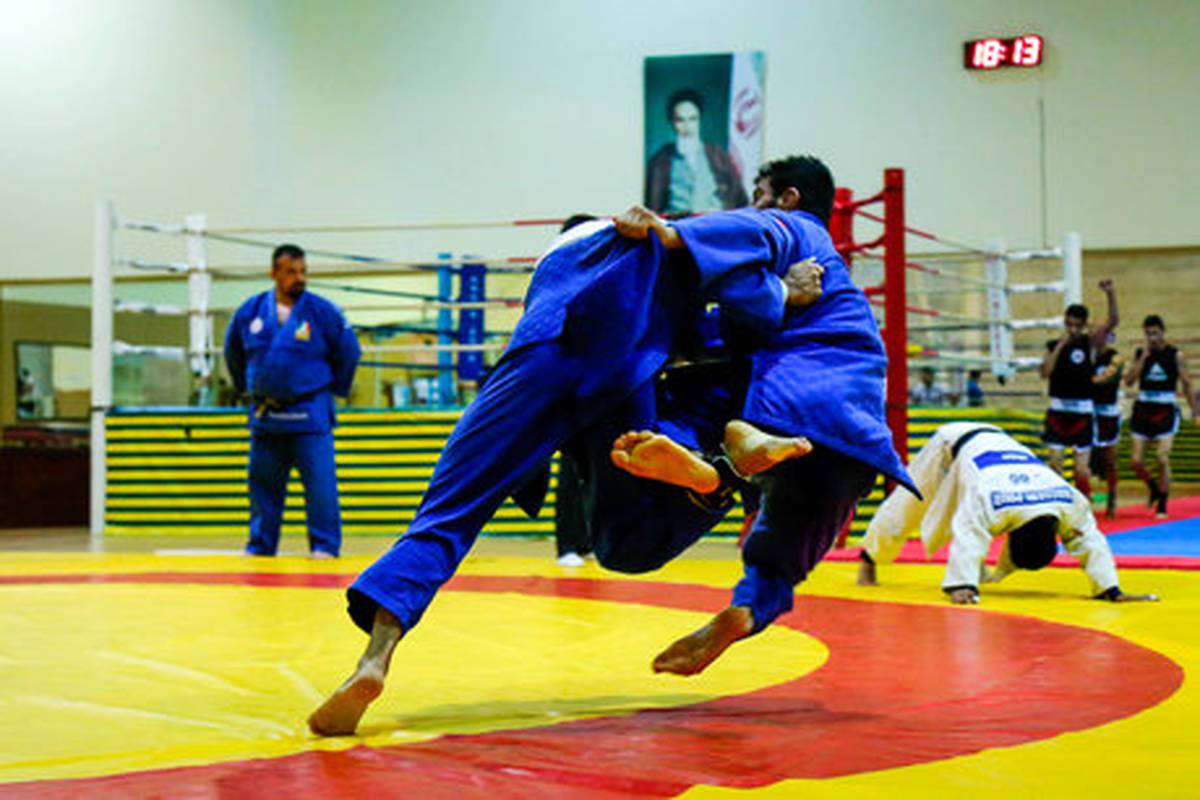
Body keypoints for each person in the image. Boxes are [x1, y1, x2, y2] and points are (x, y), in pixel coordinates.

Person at [308, 156, 912, 736]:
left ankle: (374, 660)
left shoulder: (558, 263)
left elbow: (699, 270)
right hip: (638, 377)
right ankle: (717, 474)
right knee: (632, 539)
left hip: (529, 368)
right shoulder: (685, 240)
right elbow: (730, 307)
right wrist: (777, 290)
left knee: (446, 516)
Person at [857, 422, 1158, 605]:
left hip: (995, 446)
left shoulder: (1069, 501)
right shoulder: (993, 500)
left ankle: (876, 558)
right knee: (909, 502)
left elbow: (1089, 540)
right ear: (1010, 534)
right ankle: (869, 559)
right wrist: (962, 585)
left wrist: (1111, 589)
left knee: (967, 517)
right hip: (952, 442)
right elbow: (967, 534)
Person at [224, 244, 361, 559]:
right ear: (274, 273)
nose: (299, 278)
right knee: (262, 488)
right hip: (266, 414)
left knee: (321, 487)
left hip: (309, 412)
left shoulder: (323, 312)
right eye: (291, 272)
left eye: (303, 271)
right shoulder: (250, 312)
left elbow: (349, 352)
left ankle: (324, 546)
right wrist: (248, 388)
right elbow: (233, 353)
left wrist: (334, 389)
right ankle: (261, 546)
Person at [1040, 280, 1118, 497]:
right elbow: (1045, 372)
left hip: (1082, 412)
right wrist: (1060, 346)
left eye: (1077, 326)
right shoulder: (1053, 345)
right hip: (1058, 410)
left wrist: (1110, 294)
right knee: (1055, 465)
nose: (1072, 330)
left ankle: (1084, 502)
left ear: (1084, 325)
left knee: (1081, 472)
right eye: (1069, 325)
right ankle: (1059, 506)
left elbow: (1112, 321)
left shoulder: (1089, 343)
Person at [1124, 315, 1198, 518]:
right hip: (1143, 409)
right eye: (1148, 334)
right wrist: (1142, 359)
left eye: (1155, 333)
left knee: (1161, 457)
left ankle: (1163, 501)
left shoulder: (1175, 355)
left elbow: (1187, 384)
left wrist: (1195, 412)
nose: (1152, 338)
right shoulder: (1141, 353)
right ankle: (1153, 487)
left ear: (1163, 332)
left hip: (1165, 409)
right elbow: (1128, 381)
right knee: (1136, 461)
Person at [645, 88, 748, 214]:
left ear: (699, 120)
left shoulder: (717, 155)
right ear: (672, 122)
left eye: (692, 119)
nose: (687, 126)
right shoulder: (660, 162)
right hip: (677, 223)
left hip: (714, 221)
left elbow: (739, 196)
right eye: (680, 120)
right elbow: (652, 206)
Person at [1091, 332, 1125, 518]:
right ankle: (1086, 497)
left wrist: (1080, 381)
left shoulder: (1115, 357)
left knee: (1110, 459)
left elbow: (1107, 377)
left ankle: (1112, 496)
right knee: (1084, 458)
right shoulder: (1086, 356)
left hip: (1109, 411)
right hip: (1089, 410)